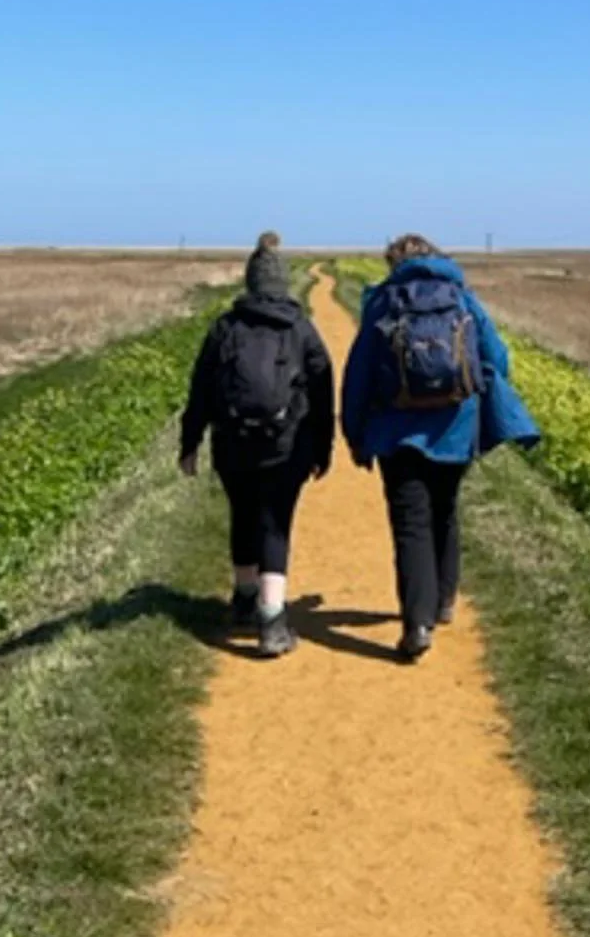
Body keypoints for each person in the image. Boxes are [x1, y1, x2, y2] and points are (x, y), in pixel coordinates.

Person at [341, 234, 538, 663]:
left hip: (396, 433)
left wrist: (355, 434)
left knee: (411, 523)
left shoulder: (383, 302)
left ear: (394, 263)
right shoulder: (463, 298)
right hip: (455, 427)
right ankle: (445, 601)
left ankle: (417, 623)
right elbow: (498, 358)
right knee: (445, 509)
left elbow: (358, 374)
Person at [179, 233, 333, 657]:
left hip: (232, 443)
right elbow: (322, 393)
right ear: (282, 283)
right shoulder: (301, 329)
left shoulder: (225, 328)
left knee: (242, 514)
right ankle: (272, 620)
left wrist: (190, 443)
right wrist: (324, 448)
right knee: (275, 524)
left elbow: (201, 392)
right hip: (287, 446)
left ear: (249, 283)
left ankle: (245, 597)